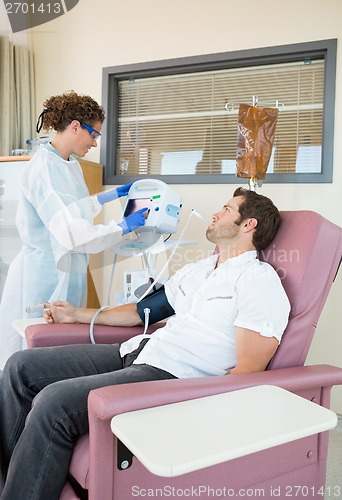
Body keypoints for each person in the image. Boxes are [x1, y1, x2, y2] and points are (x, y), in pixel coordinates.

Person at [0, 188, 290, 500]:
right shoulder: (198, 270)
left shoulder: (258, 281)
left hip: (173, 376)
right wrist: (76, 314)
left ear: (249, 225)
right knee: (20, 366)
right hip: (137, 351)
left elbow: (249, 371)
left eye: (227, 209)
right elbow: (143, 311)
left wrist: (200, 416)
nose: (216, 214)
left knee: (53, 402)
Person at [0, 91, 147, 369]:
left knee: (61, 349)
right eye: (94, 134)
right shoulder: (43, 167)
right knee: (34, 354)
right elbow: (71, 233)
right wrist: (121, 226)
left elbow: (74, 209)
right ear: (75, 126)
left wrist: (107, 197)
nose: (94, 142)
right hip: (43, 272)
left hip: (68, 270)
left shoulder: (70, 165)